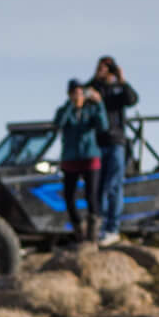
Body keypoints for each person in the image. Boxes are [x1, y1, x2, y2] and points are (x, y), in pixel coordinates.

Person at [89, 56, 138, 245]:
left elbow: (133, 99)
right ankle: (100, 229)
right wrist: (96, 79)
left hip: (116, 142)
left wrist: (122, 79)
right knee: (99, 187)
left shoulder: (118, 90)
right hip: (98, 144)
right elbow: (80, 93)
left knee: (114, 186)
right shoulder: (95, 89)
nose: (102, 70)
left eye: (106, 68)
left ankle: (112, 228)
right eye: (100, 67)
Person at [52, 79, 104, 242]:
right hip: (70, 158)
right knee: (68, 196)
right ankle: (79, 232)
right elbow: (58, 124)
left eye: (80, 92)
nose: (78, 95)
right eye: (74, 92)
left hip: (90, 156)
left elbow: (103, 126)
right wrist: (70, 106)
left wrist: (99, 104)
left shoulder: (92, 109)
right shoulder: (64, 110)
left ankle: (93, 235)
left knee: (91, 196)